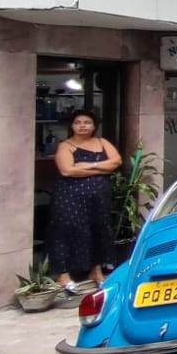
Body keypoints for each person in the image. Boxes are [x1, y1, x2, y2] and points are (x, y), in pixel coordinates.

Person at [49, 108, 123, 295]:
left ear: (94, 126)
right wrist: (102, 169)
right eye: (78, 122)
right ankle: (64, 275)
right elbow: (68, 171)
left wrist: (90, 166)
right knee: (69, 230)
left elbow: (116, 162)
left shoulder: (102, 142)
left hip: (98, 198)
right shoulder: (65, 146)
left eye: (87, 122)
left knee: (98, 229)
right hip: (70, 197)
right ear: (72, 126)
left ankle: (96, 271)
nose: (82, 126)